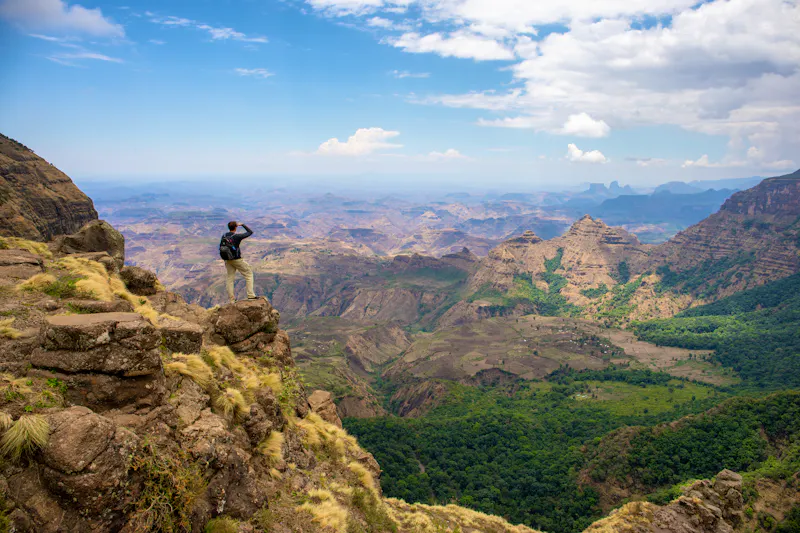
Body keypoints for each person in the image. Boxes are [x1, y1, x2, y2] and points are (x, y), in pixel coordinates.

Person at [220, 221, 257, 303]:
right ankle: (251, 295)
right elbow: (250, 232)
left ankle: (232, 300)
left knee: (230, 279)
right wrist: (243, 225)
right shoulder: (236, 236)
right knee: (249, 274)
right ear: (235, 227)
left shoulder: (224, 235)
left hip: (227, 260)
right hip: (236, 259)